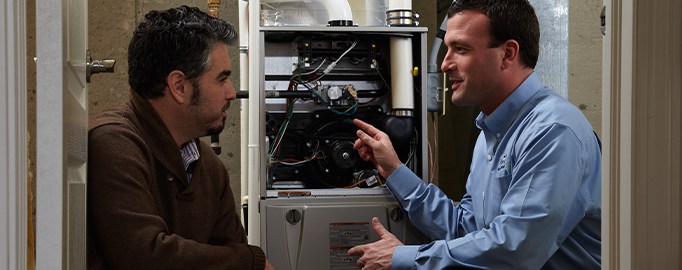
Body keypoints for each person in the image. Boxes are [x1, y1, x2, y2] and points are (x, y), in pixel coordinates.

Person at [348, 0, 601, 269]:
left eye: (461, 49)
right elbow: (465, 229)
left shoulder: (552, 131)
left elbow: (515, 250)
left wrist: (403, 257)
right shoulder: (490, 133)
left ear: (507, 54)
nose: (445, 64)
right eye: (448, 49)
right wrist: (395, 170)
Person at [87, 6, 274, 270]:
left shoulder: (209, 168)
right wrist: (249, 262)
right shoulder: (112, 142)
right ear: (179, 86)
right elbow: (145, 257)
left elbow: (229, 251)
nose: (232, 93)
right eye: (222, 80)